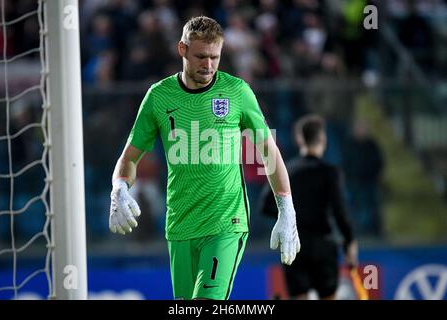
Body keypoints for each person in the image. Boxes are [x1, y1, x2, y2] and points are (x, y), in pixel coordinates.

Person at [108, 16, 300, 300]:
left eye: (214, 57)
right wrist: (120, 188)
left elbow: (268, 152)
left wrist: (287, 210)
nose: (208, 65)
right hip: (180, 226)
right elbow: (130, 157)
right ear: (182, 49)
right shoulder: (158, 97)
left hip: (226, 223)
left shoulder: (237, 91)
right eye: (200, 56)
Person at [260, 114, 357, 300]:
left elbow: (265, 205)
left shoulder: (287, 171)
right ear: (323, 139)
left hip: (295, 244)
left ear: (299, 139)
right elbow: (340, 211)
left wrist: (292, 217)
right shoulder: (330, 173)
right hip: (324, 245)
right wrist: (350, 242)